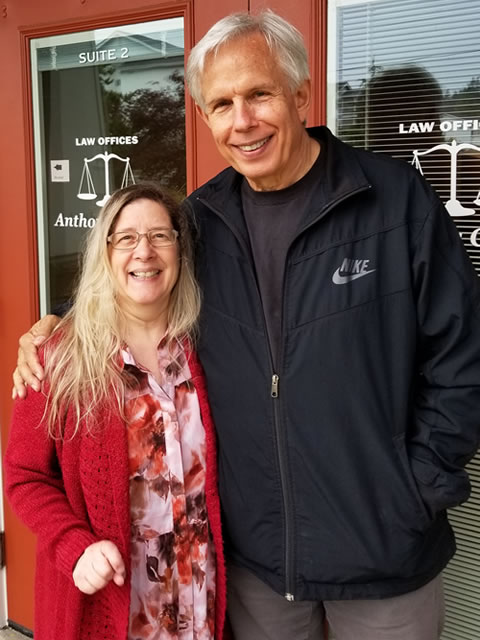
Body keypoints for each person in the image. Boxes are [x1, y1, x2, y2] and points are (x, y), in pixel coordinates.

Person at [12, 10, 480, 640]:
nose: (242, 121)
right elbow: (140, 286)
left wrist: (417, 492)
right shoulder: (205, 219)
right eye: (222, 103)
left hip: (383, 559)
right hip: (257, 572)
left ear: (301, 93)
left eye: (258, 94)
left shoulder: (394, 202)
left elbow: (462, 361)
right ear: (205, 116)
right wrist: (56, 331)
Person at [5, 183, 226, 640]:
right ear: (105, 253)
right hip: (112, 610)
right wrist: (74, 546)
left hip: (198, 609)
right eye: (126, 238)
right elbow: (23, 475)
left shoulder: (204, 349)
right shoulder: (58, 358)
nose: (144, 251)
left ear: (181, 250)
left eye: (160, 236)